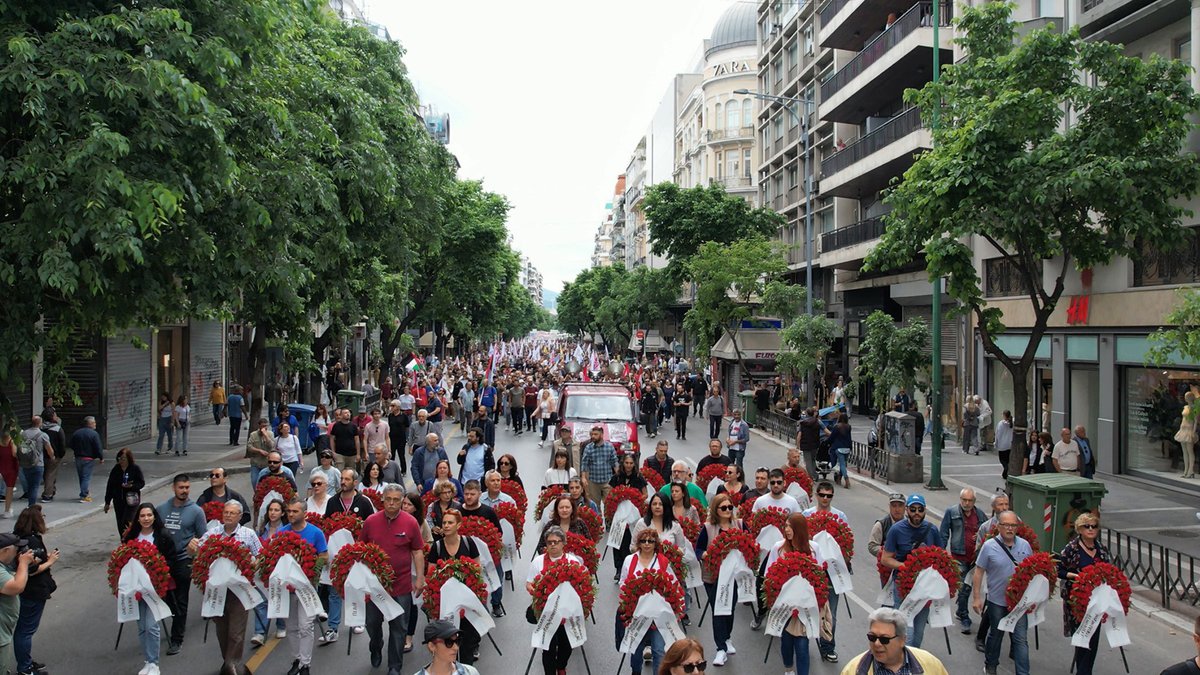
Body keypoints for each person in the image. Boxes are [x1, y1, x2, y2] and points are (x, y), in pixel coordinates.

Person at [190, 501, 262, 675]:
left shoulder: (248, 534)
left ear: (239, 516)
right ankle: (228, 662)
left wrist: (252, 565)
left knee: (236, 633)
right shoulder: (213, 533)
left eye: (232, 513)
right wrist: (191, 548)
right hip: (217, 591)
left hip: (239, 590)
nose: (228, 515)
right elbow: (196, 552)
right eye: (226, 512)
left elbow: (260, 555)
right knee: (222, 630)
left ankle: (233, 665)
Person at [361, 485, 426, 675]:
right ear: (382, 499)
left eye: (396, 500)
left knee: (399, 627)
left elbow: (417, 551)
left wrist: (420, 578)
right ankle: (376, 644)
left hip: (401, 586)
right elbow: (360, 549)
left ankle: (394, 667)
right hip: (375, 587)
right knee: (372, 623)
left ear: (401, 500)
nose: (391, 503)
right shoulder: (371, 521)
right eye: (388, 499)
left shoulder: (411, 522)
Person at [973, 510, 1033, 675]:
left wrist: (1035, 598)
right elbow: (978, 572)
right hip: (997, 600)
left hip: (1019, 603)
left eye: (1013, 525)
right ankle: (991, 665)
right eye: (1006, 525)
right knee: (996, 634)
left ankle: (1023, 672)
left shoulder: (1025, 546)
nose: (1010, 528)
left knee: (1020, 639)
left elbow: (1033, 572)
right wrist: (977, 597)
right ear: (998, 526)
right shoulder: (989, 546)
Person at [880, 495, 944, 648]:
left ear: (925, 511)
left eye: (920, 509)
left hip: (924, 587)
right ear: (907, 510)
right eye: (913, 509)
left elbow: (941, 558)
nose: (917, 513)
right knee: (906, 630)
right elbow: (886, 559)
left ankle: (912, 659)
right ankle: (902, 664)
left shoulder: (932, 530)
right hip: (903, 585)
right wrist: (907, 567)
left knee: (919, 632)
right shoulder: (896, 530)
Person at [426, 509, 483, 665]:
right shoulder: (437, 547)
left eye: (450, 522)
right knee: (447, 643)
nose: (446, 525)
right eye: (444, 522)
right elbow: (431, 575)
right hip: (446, 603)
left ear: (458, 525)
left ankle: (465, 667)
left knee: (467, 642)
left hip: (467, 603)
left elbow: (477, 570)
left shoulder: (468, 543)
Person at [695, 493, 746, 665]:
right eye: (723, 507)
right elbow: (698, 549)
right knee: (718, 610)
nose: (727, 510)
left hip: (734, 577)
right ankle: (720, 649)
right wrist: (705, 554)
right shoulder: (708, 528)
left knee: (729, 609)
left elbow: (749, 544)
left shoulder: (739, 525)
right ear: (716, 510)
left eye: (730, 507)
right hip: (713, 577)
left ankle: (726, 637)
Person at [159, 474, 206, 655]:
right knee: (165, 597)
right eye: (181, 487)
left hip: (184, 560)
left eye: (187, 487)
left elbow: (204, 537)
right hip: (164, 562)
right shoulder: (162, 509)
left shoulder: (196, 511)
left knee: (181, 599)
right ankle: (174, 614)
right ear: (174, 488)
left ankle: (177, 639)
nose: (184, 491)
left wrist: (195, 545)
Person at [1059, 511, 1111, 675]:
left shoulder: (1101, 549)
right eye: (1086, 526)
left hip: (1096, 600)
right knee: (1082, 637)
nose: (1091, 529)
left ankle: (1085, 671)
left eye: (1094, 526)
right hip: (1076, 601)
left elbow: (1110, 571)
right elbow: (1059, 570)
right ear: (1079, 529)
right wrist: (1074, 576)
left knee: (1093, 639)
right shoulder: (1071, 549)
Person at [124, 505, 175, 675]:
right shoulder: (131, 537)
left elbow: (170, 560)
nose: (146, 518)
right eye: (142, 515)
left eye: (149, 515)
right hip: (136, 589)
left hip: (155, 588)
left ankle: (154, 663)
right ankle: (147, 661)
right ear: (137, 519)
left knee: (151, 625)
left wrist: (158, 575)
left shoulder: (163, 536)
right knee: (141, 626)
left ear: (154, 517)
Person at [525, 525, 583, 675]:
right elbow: (529, 583)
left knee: (566, 644)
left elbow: (582, 585)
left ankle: (561, 665)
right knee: (548, 646)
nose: (553, 545)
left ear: (563, 543)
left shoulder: (573, 561)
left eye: (556, 542)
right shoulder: (537, 562)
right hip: (546, 611)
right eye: (550, 542)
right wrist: (535, 591)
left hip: (567, 611)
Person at [618, 528, 675, 675]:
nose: (647, 544)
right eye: (643, 541)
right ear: (639, 543)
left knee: (658, 649)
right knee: (636, 650)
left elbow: (672, 583)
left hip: (658, 613)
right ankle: (635, 671)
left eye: (651, 541)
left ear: (656, 543)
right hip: (636, 612)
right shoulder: (630, 560)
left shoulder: (662, 561)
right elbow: (623, 582)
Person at [12, 506, 57, 675]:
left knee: (24, 629)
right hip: (33, 590)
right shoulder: (32, 541)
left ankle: (26, 662)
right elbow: (31, 570)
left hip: (25, 590)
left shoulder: (19, 538)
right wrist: (50, 561)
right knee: (26, 630)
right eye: (42, 516)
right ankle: (25, 668)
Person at [839, 608, 949, 675]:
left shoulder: (930, 664)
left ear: (902, 640)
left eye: (884, 639)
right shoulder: (853, 670)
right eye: (872, 637)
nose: (877, 644)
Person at [939, 488, 984, 635]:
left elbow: (987, 535)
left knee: (968, 587)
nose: (966, 503)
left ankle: (960, 610)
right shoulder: (952, 512)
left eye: (970, 500)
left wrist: (979, 537)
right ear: (960, 499)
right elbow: (944, 533)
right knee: (964, 588)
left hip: (975, 559)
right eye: (964, 500)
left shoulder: (980, 515)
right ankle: (964, 616)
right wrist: (940, 554)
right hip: (958, 557)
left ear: (974, 501)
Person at [400, 492, 433, 652]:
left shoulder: (421, 524)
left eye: (409, 504)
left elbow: (429, 542)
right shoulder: (396, 520)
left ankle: (408, 637)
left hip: (414, 569)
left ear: (416, 508)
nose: (405, 507)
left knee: (412, 604)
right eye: (404, 503)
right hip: (399, 569)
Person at [252, 499, 288, 645]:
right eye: (271, 510)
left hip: (279, 569)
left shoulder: (286, 529)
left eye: (276, 510)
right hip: (263, 569)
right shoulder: (261, 530)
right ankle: (259, 632)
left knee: (278, 597)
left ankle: (281, 625)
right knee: (261, 600)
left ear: (282, 513)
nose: (273, 513)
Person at [412, 619, 480, 675]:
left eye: (457, 641)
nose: (456, 647)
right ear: (432, 646)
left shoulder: (471, 672)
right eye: (449, 642)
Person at [102, 447, 144, 536]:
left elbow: (141, 483)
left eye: (123, 459)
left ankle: (131, 540)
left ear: (129, 459)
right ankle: (124, 541)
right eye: (119, 459)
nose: (121, 461)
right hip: (118, 500)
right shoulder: (116, 469)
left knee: (127, 520)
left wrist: (132, 486)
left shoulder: (135, 468)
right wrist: (107, 502)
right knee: (120, 522)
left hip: (131, 500)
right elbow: (110, 485)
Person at [868, 493, 906, 587]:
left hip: (906, 567)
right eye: (894, 506)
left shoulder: (910, 524)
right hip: (888, 569)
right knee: (887, 599)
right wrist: (887, 552)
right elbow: (872, 546)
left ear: (905, 507)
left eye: (900, 505)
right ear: (889, 507)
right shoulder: (881, 524)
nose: (897, 509)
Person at [66, 415, 104, 506]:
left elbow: (70, 444)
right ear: (90, 423)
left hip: (78, 458)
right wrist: (101, 457)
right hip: (88, 458)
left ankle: (84, 491)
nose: (95, 424)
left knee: (81, 477)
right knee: (86, 477)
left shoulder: (77, 433)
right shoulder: (94, 434)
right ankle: (84, 495)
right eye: (94, 422)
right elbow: (98, 447)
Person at [580, 426, 618, 508]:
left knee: (609, 504)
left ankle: (609, 520)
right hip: (593, 481)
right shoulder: (588, 447)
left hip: (607, 480)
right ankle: (597, 520)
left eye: (596, 434)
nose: (593, 436)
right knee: (594, 505)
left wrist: (619, 476)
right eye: (592, 434)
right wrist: (583, 477)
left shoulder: (609, 446)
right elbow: (584, 463)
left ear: (601, 435)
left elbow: (614, 462)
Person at [17, 418, 51, 507]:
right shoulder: (43, 435)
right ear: (40, 423)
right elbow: (49, 449)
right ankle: (31, 506)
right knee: (34, 486)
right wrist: (52, 457)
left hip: (25, 463)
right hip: (38, 464)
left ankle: (30, 504)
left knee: (29, 485)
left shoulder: (23, 434)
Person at [245, 418, 276, 490]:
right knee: (255, 481)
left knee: (267, 483)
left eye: (266, 426)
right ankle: (257, 496)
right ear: (259, 426)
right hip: (256, 462)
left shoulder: (270, 434)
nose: (264, 428)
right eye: (262, 426)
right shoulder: (253, 435)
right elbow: (249, 447)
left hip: (266, 463)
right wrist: (259, 451)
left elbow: (271, 445)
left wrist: (266, 435)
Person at [330, 407, 361, 471]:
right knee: (339, 472)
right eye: (345, 413)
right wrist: (333, 452)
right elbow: (332, 439)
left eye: (348, 413)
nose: (348, 414)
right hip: (339, 454)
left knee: (351, 473)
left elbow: (357, 440)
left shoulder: (353, 426)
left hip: (352, 454)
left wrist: (358, 454)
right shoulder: (336, 426)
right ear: (341, 415)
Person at [828, 414, 852, 489]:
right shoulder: (848, 427)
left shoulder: (837, 426)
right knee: (844, 464)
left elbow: (832, 437)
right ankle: (839, 479)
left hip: (838, 448)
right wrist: (851, 447)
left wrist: (828, 442)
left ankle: (846, 479)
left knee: (842, 465)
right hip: (847, 448)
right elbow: (849, 437)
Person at [995, 410, 1014, 480]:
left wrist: (996, 443)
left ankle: (1006, 470)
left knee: (1002, 460)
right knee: (1007, 459)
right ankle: (1005, 472)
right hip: (1010, 444)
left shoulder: (1001, 424)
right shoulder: (1012, 423)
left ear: (1004, 415)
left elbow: (998, 434)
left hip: (1002, 445)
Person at [0, 433, 14, 519]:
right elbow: (15, 454)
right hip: (11, 469)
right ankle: (7, 511)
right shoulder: (12, 443)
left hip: (1, 468)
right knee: (9, 489)